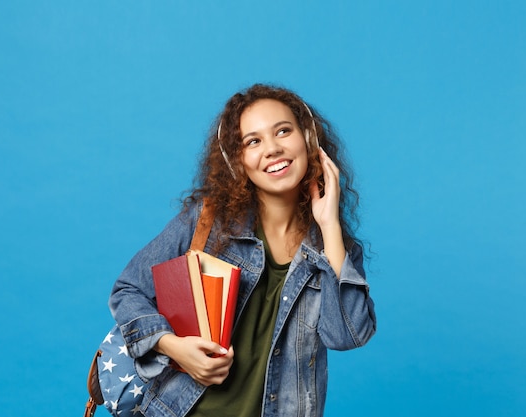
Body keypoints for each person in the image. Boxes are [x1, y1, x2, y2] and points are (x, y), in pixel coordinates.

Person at [109, 83, 377, 417]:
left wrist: (330, 227)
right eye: (254, 141)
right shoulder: (209, 222)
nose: (273, 149)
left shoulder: (335, 249)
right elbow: (128, 290)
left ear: (308, 139)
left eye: (283, 131)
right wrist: (174, 347)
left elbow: (347, 336)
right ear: (238, 160)